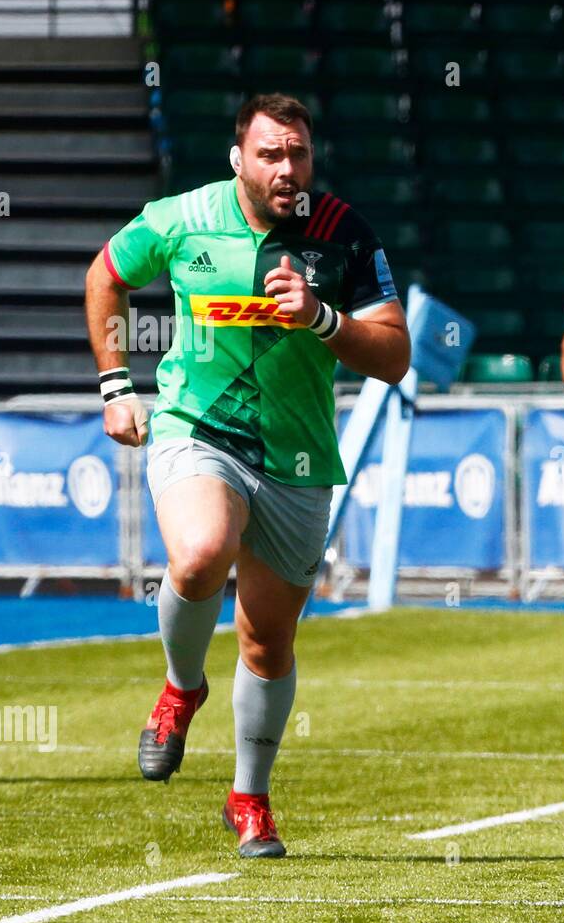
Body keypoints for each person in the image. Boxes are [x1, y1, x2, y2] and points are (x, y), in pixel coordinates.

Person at [86, 93, 410, 857]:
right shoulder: (181, 218)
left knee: (268, 642)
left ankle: (249, 798)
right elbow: (105, 275)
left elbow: (394, 357)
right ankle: (180, 686)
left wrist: (322, 319)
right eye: (270, 153)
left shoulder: (343, 234)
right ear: (239, 159)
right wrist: (114, 383)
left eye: (298, 153)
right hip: (197, 429)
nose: (286, 168)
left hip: (297, 458)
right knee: (199, 554)